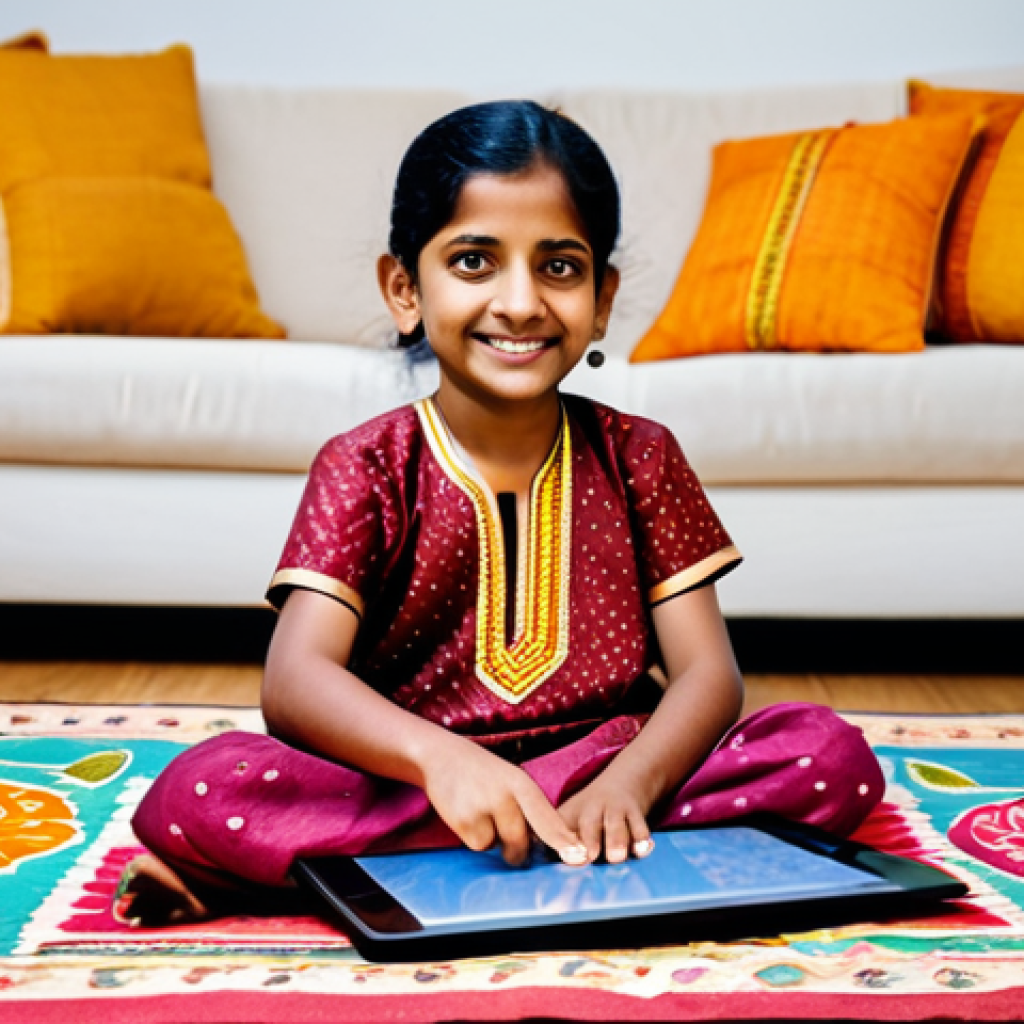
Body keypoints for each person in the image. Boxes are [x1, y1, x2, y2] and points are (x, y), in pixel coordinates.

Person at [122, 101, 883, 925]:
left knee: (824, 755)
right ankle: (571, 855)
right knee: (208, 787)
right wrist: (443, 763)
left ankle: (414, 866)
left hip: (611, 772)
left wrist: (632, 783)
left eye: (558, 267)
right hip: (416, 787)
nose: (520, 303)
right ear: (405, 289)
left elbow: (708, 676)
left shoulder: (643, 456)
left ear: (602, 297)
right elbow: (295, 682)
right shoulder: (368, 464)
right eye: (475, 262)